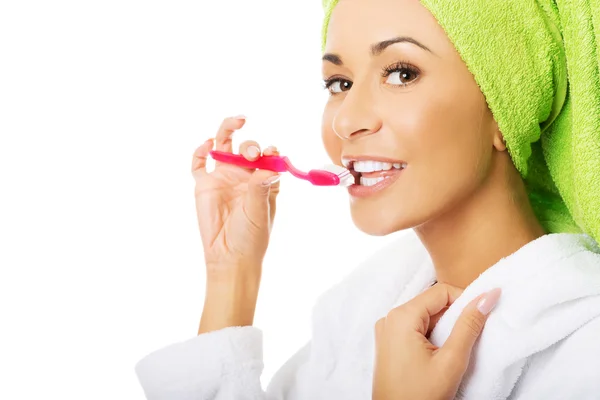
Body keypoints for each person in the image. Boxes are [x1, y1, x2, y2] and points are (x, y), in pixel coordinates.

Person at [135, 0, 600, 398]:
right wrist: (231, 275)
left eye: (401, 73)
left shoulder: (585, 350)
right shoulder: (364, 306)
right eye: (339, 83)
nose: (346, 120)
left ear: (504, 110)